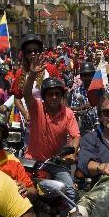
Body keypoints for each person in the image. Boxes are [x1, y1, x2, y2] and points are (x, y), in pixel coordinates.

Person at [23, 55, 80, 199]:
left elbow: (75, 136)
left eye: (57, 94)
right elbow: (26, 93)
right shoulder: (36, 107)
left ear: (61, 96)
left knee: (70, 193)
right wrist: (32, 74)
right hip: (33, 161)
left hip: (56, 162)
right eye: (50, 94)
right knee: (23, 192)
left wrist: (72, 154)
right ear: (44, 96)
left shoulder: (67, 113)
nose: (54, 97)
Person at [68, 62, 98, 134]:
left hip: (101, 125)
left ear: (93, 75)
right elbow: (73, 111)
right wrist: (83, 107)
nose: (87, 78)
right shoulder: (77, 92)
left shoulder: (100, 89)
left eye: (89, 75)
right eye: (84, 75)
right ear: (81, 77)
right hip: (85, 127)